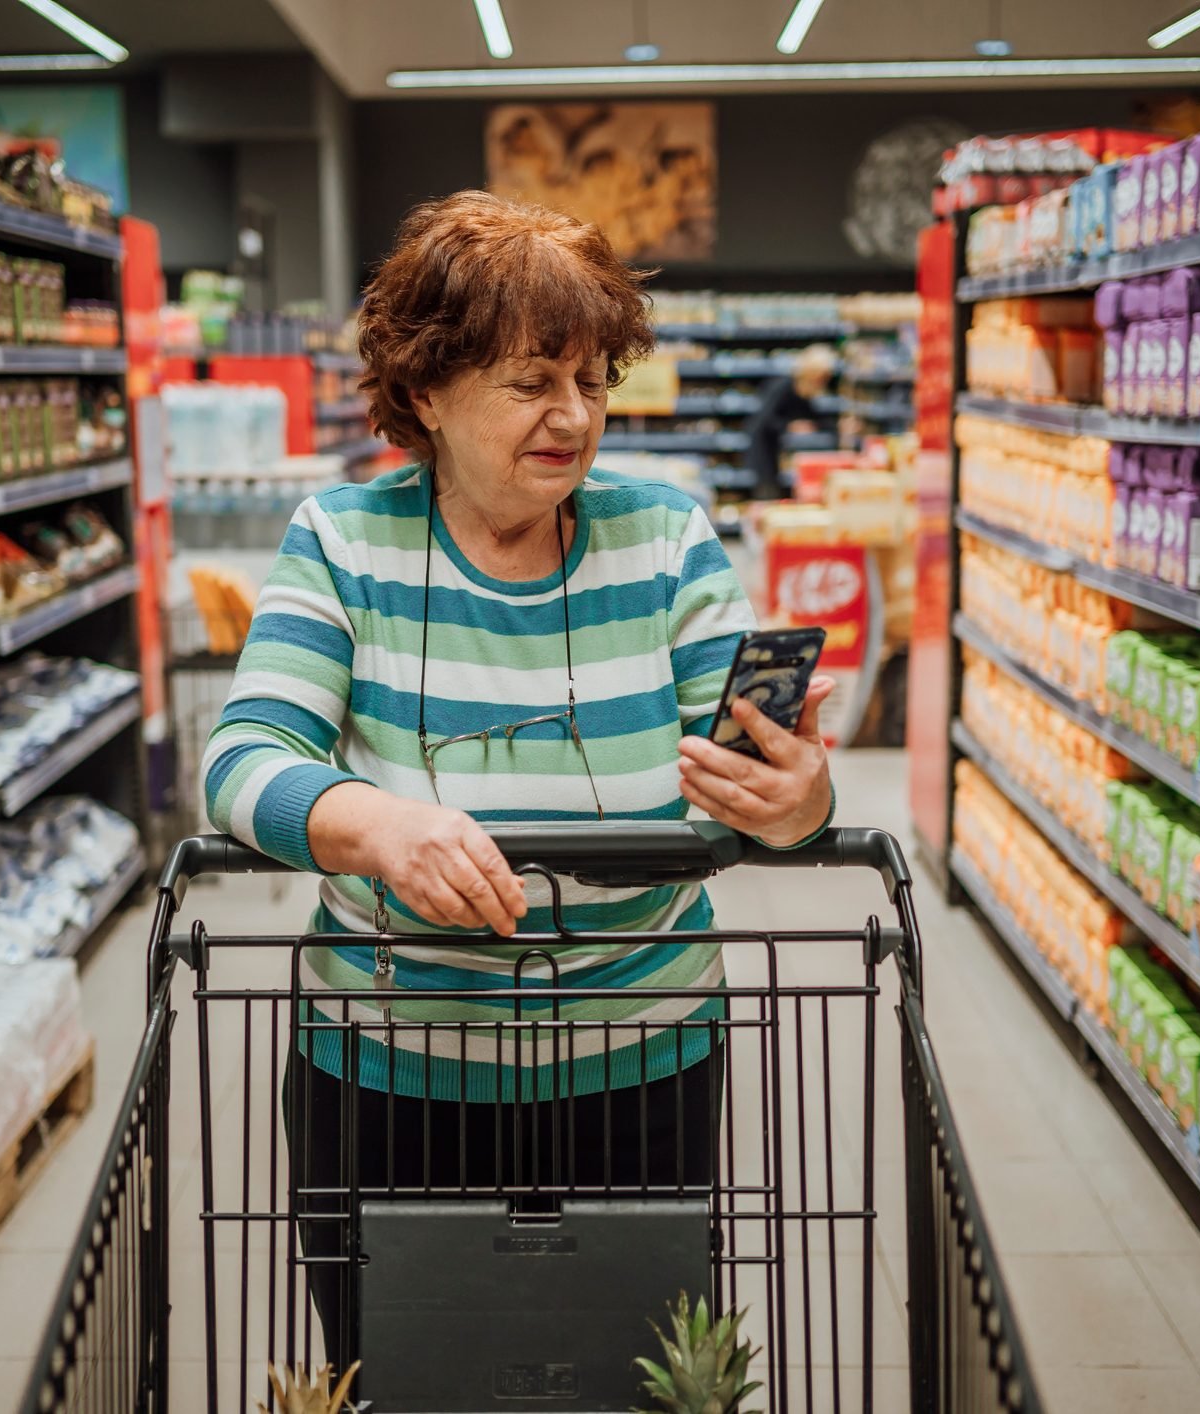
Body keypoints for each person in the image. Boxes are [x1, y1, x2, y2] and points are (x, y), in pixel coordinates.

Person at [199, 189, 837, 1359]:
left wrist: (798, 799)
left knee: (623, 1371)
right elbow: (244, 761)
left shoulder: (665, 538)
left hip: (642, 1062)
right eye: (533, 380)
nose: (574, 416)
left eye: (592, 381)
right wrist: (374, 823)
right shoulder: (343, 540)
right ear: (430, 390)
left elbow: (753, 785)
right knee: (402, 1369)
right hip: (393, 1072)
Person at [740, 342, 839, 498]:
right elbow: (764, 421)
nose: (822, 382)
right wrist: (790, 426)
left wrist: (837, 428)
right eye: (820, 377)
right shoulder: (782, 388)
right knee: (768, 497)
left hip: (779, 456)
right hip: (764, 455)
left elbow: (817, 419)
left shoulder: (803, 393)